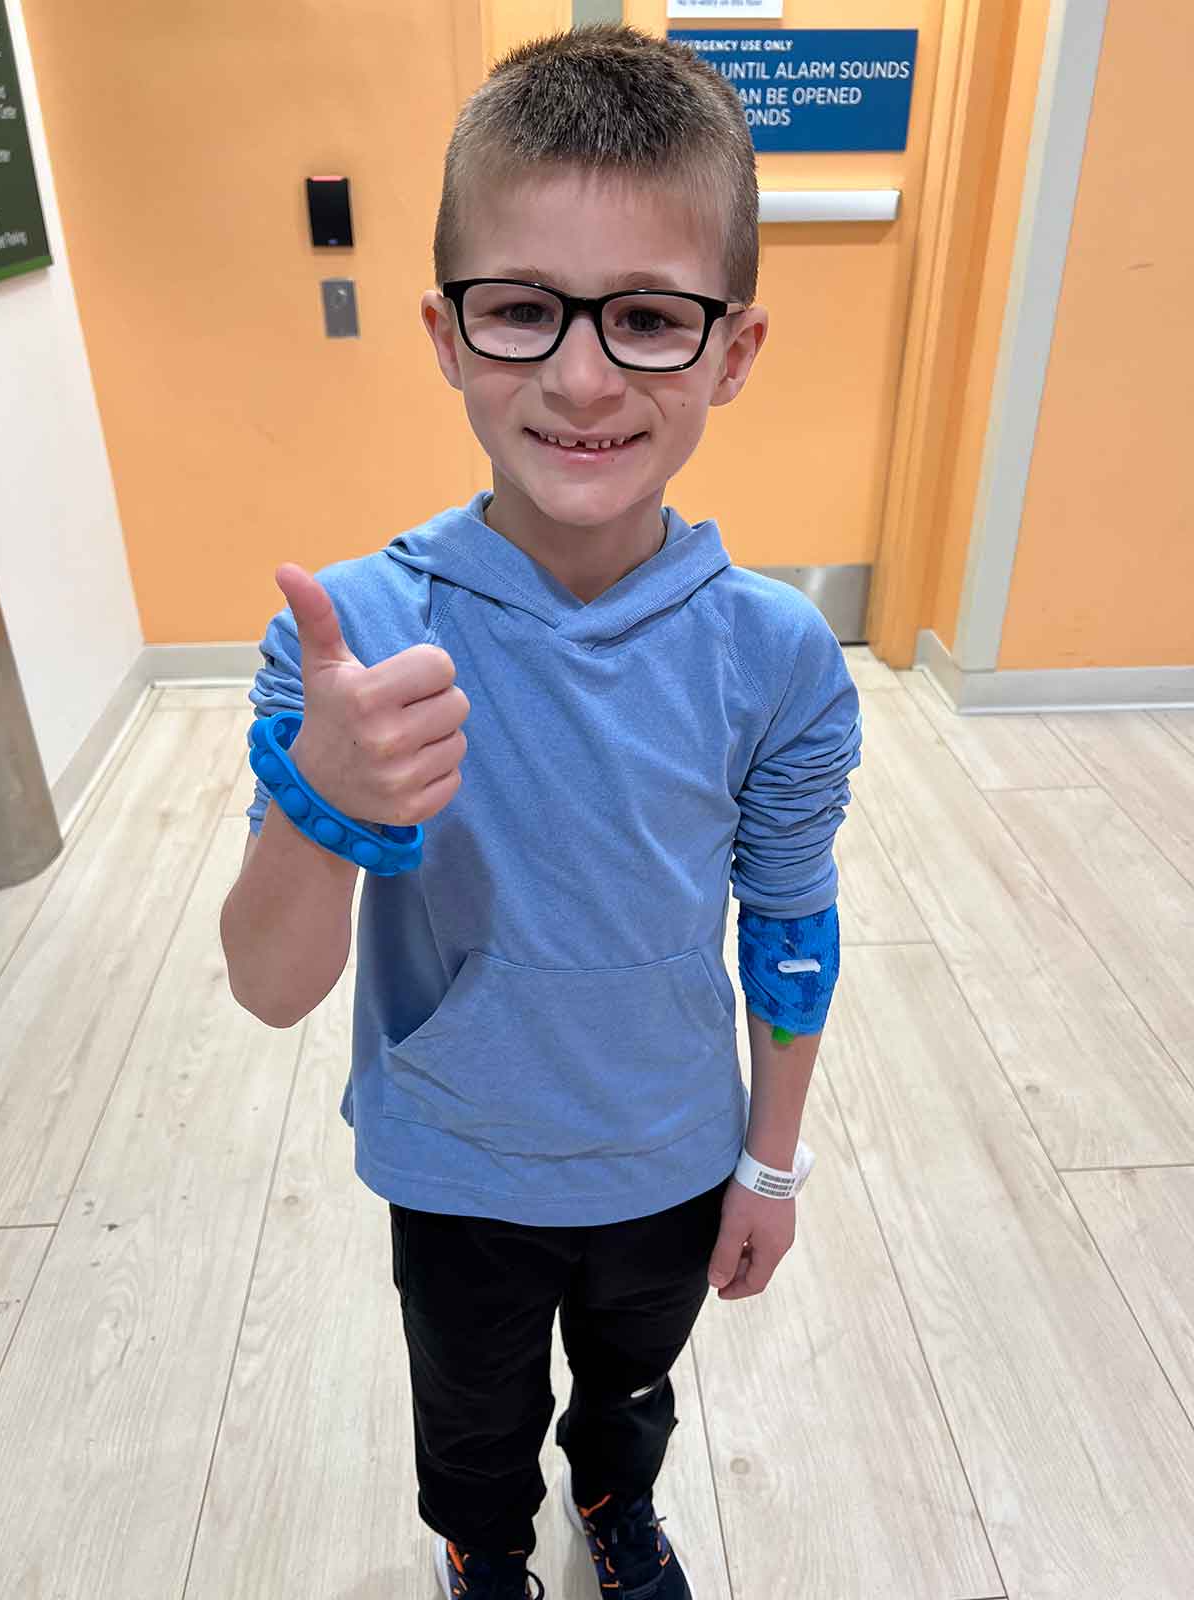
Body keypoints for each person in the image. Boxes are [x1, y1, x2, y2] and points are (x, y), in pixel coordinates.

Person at [220, 22, 862, 1600]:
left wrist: (769, 1162)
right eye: (524, 313)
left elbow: (790, 922)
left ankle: (616, 1511)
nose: (582, 377)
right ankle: (482, 1546)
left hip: (668, 1150)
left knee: (632, 1394)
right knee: (473, 1412)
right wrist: (325, 804)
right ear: (446, 334)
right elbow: (271, 986)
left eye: (648, 317)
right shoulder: (354, 637)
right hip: (456, 1163)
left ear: (733, 349)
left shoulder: (775, 655)